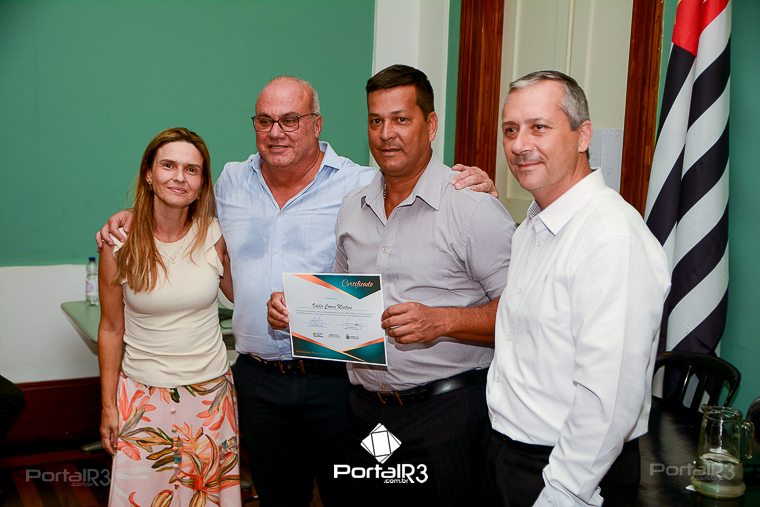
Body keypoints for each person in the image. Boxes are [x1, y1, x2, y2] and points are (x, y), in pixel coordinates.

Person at [97, 76, 496, 507]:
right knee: (276, 497)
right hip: (257, 381)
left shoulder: (360, 185)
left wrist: (477, 186)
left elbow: (416, 182)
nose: (276, 132)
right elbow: (178, 202)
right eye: (265, 121)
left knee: (351, 494)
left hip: (336, 383)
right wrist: (131, 214)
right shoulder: (231, 182)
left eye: (290, 120)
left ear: (317, 124)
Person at [268, 65, 514, 506]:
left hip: (448, 414)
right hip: (369, 414)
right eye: (376, 120)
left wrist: (443, 321)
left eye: (401, 119)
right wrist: (297, 311)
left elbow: (524, 317)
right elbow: (343, 306)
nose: (386, 134)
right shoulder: (353, 207)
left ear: (431, 125)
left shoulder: (473, 209)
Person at [486, 70, 671, 507]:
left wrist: (563, 493)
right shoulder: (531, 228)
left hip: (569, 475)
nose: (519, 144)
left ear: (583, 135)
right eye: (510, 129)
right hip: (509, 455)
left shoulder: (610, 238)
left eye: (539, 127)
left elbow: (608, 398)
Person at [98, 127, 241, 506]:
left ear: (202, 183)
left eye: (192, 170)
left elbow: (244, 297)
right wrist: (109, 405)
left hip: (210, 398)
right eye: (168, 165)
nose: (179, 177)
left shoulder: (215, 235)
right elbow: (110, 329)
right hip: (143, 397)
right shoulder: (119, 242)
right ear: (148, 173)